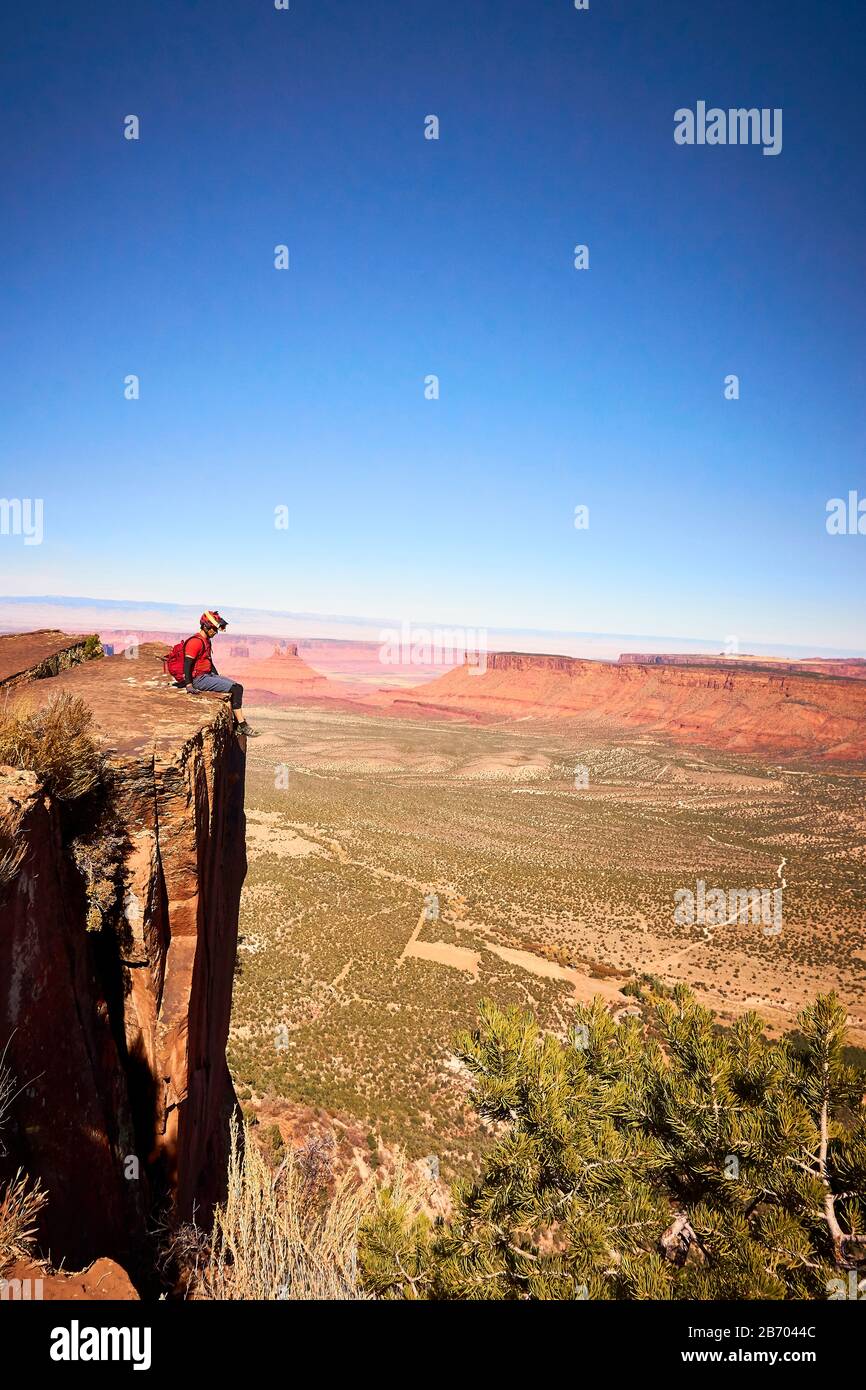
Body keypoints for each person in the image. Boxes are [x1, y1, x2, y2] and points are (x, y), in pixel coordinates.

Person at [182, 610, 258, 737]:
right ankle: (242, 725)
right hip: (199, 679)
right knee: (236, 689)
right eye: (213, 629)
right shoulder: (195, 642)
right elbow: (187, 664)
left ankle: (238, 724)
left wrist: (217, 678)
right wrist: (189, 685)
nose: (215, 632)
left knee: (237, 686)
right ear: (205, 626)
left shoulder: (206, 640)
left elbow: (209, 662)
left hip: (207, 675)